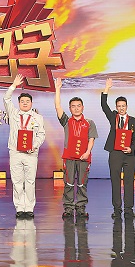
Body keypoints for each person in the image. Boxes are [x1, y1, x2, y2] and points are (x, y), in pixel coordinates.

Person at [54, 78, 98, 221]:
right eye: (73, 106)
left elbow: (91, 139)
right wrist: (58, 89)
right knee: (68, 183)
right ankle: (68, 208)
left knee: (82, 183)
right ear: (70, 108)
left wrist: (87, 153)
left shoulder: (89, 123)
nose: (76, 108)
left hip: (84, 157)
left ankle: (81, 208)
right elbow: (57, 107)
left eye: (79, 106)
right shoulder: (66, 121)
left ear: (83, 107)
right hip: (69, 157)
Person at [4, 74, 46, 219]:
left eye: (27, 101)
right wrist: (13, 86)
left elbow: (41, 135)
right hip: (15, 152)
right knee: (17, 181)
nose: (25, 103)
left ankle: (29, 208)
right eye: (22, 101)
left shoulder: (38, 118)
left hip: (31, 153)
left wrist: (35, 145)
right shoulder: (13, 113)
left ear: (32, 103)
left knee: (30, 181)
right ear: (19, 103)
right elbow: (6, 99)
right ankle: (19, 207)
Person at [101, 78, 135, 219]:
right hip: (115, 154)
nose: (121, 108)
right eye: (119, 106)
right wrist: (107, 88)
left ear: (127, 106)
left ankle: (129, 210)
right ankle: (117, 210)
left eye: (123, 106)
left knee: (129, 182)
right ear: (116, 107)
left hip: (129, 155)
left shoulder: (133, 121)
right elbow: (103, 105)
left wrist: (131, 149)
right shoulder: (113, 117)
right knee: (115, 181)